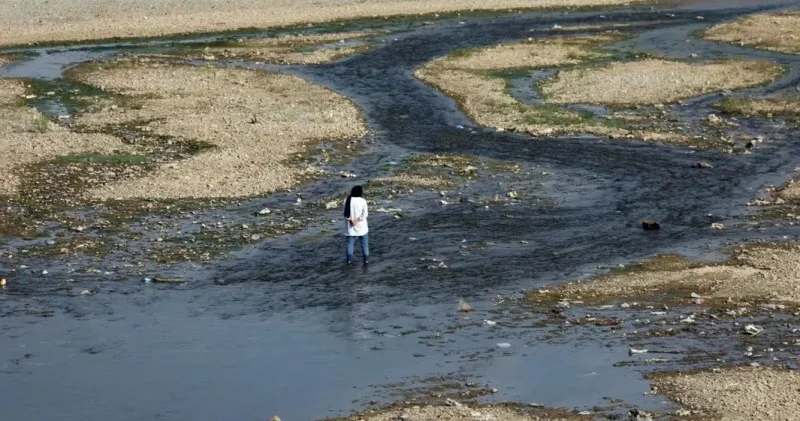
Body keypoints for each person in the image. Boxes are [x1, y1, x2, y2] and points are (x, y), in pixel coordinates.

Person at [343, 185, 369, 264]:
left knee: (350, 244)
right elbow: (365, 214)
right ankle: (366, 260)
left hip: (350, 227)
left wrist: (351, 220)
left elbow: (345, 213)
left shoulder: (346, 200)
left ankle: (349, 261)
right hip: (362, 227)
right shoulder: (362, 201)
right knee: (364, 244)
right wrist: (357, 220)